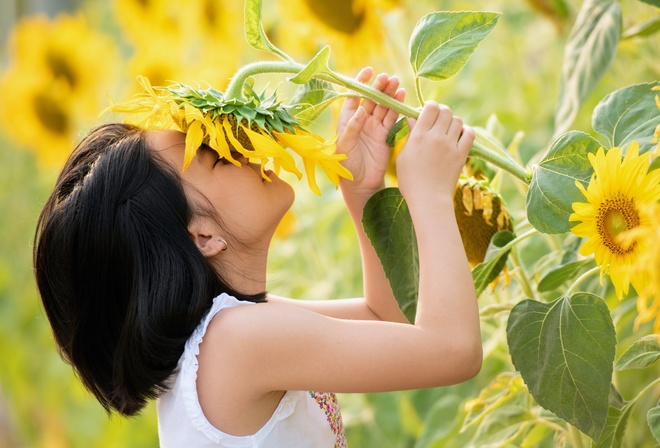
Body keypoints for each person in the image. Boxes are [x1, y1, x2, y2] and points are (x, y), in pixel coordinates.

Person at [33, 67, 481, 447]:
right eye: (215, 156)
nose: (244, 146)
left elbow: (386, 319)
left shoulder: (231, 330)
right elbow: (453, 351)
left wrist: (363, 191)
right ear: (203, 235)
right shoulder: (236, 342)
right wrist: (429, 194)